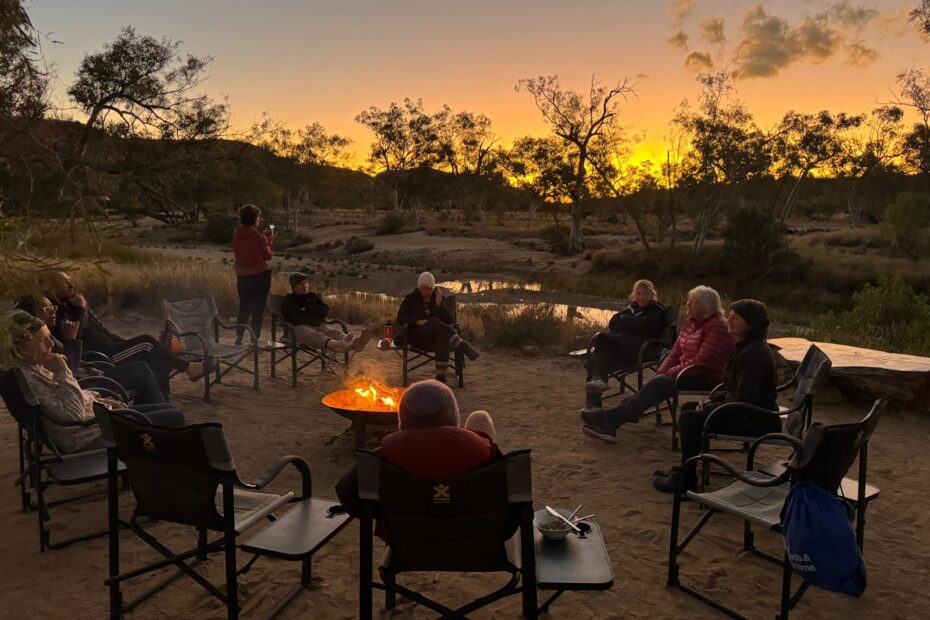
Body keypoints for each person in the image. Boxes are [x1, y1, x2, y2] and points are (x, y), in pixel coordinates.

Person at [335, 379, 502, 541]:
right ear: (454, 420)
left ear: (403, 422)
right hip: (476, 539)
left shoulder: (384, 456)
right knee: (479, 418)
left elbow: (349, 496)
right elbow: (507, 498)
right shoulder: (482, 450)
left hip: (406, 541)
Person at [6, 311, 187, 455]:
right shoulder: (30, 378)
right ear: (22, 345)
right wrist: (63, 371)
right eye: (42, 340)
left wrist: (100, 400)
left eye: (49, 337)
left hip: (96, 420)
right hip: (88, 436)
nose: (51, 344)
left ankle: (156, 458)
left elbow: (69, 401)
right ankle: (161, 471)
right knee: (173, 417)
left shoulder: (35, 368)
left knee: (168, 410)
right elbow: (74, 417)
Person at [653, 299, 780, 494]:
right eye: (729, 315)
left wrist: (710, 409)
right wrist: (711, 400)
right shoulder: (746, 347)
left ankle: (686, 480)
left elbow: (745, 400)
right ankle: (685, 471)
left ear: (750, 323)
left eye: (735, 317)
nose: (728, 319)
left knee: (690, 418)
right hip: (748, 412)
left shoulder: (753, 356)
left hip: (756, 419)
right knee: (689, 408)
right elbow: (734, 389)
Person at [581, 285, 735, 443]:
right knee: (656, 382)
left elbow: (702, 361)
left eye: (693, 302)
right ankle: (608, 418)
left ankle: (609, 421)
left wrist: (670, 373)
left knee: (658, 384)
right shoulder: (692, 322)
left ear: (706, 305)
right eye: (688, 301)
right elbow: (675, 351)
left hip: (706, 377)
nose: (688, 305)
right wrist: (662, 371)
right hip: (686, 372)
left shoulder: (718, 327)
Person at [44, 272, 207, 396]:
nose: (72, 285)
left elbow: (103, 331)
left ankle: (162, 406)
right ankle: (187, 367)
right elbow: (74, 337)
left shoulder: (73, 306)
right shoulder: (56, 315)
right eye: (65, 283)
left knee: (158, 362)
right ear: (52, 288)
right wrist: (82, 308)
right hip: (103, 359)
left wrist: (123, 343)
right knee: (147, 342)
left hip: (115, 349)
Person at [15, 295, 170, 404]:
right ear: (32, 316)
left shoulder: (47, 336)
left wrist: (91, 366)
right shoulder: (40, 346)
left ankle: (154, 418)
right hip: (89, 384)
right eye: (47, 308)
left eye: (53, 307)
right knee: (143, 366)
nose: (53, 311)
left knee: (150, 365)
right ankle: (156, 423)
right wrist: (71, 340)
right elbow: (68, 373)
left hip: (93, 371)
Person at [584, 279, 668, 411]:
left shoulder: (657, 311)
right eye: (638, 294)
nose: (641, 297)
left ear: (652, 295)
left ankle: (595, 393)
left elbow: (644, 327)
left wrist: (626, 322)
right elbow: (613, 323)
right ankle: (595, 397)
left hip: (641, 349)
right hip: (622, 347)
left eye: (645, 294)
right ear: (634, 295)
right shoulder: (631, 308)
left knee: (599, 357)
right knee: (601, 341)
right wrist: (632, 323)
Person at [395, 272, 479, 384]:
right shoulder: (410, 299)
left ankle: (441, 376)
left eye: (428, 289)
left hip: (435, 340)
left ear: (433, 287)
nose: (425, 292)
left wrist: (439, 305)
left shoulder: (439, 298)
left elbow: (450, 320)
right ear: (419, 287)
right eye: (422, 289)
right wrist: (417, 321)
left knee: (442, 337)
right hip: (418, 337)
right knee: (433, 322)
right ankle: (461, 344)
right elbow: (400, 318)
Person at [281, 273, 371, 353]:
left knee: (334, 332)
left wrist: (307, 309)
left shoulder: (313, 296)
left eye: (306, 282)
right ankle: (338, 345)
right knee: (316, 336)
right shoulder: (289, 299)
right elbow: (294, 317)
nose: (305, 285)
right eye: (301, 283)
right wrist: (314, 312)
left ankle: (355, 342)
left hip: (319, 325)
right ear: (294, 287)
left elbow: (325, 311)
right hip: (297, 329)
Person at [233, 203, 274, 344]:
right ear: (254, 219)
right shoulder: (260, 238)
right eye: (258, 217)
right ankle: (254, 339)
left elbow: (248, 243)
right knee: (258, 309)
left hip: (243, 277)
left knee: (244, 307)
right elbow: (267, 256)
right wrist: (269, 240)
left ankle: (239, 336)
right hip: (260, 276)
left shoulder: (237, 233)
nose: (259, 220)